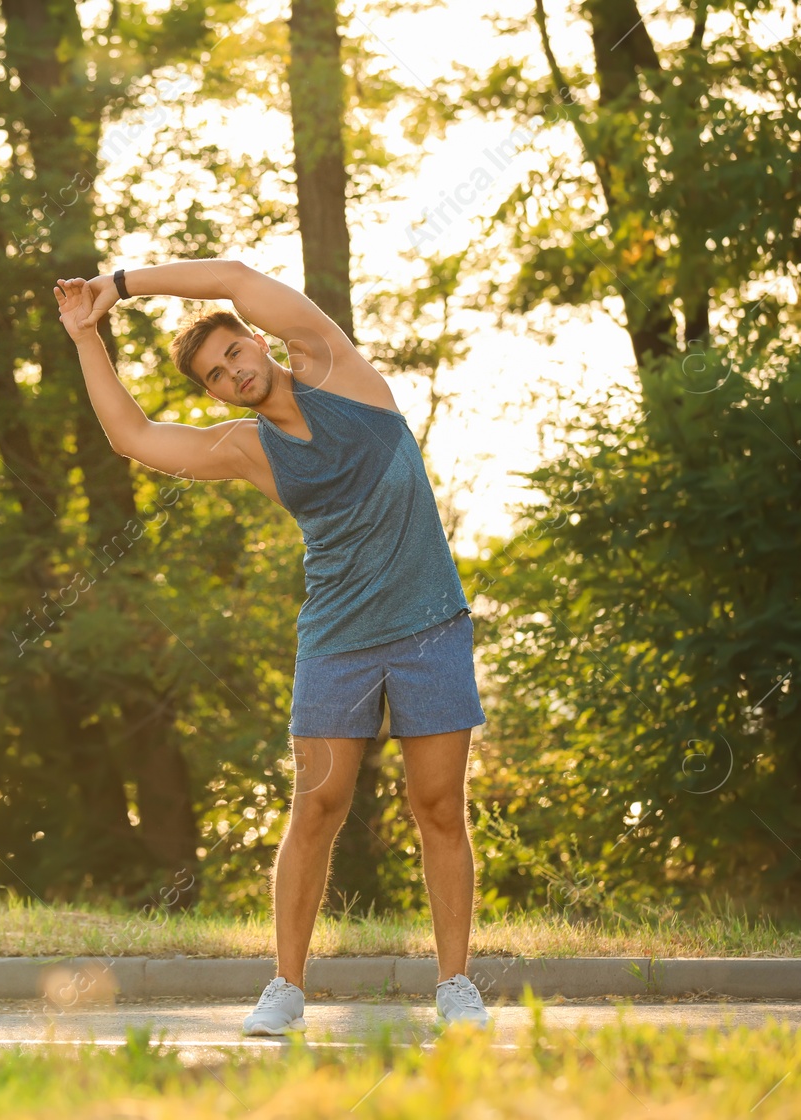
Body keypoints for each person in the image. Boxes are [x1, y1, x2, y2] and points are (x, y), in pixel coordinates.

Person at [52, 259, 491, 1033]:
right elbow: (133, 436)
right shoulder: (247, 450)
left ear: (257, 341)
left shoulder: (334, 365)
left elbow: (230, 274)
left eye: (234, 355)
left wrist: (118, 287)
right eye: (216, 378)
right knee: (317, 805)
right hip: (338, 642)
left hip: (432, 628)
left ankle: (455, 985)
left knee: (438, 809)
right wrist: (87, 334)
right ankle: (285, 988)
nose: (232, 374)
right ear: (215, 395)